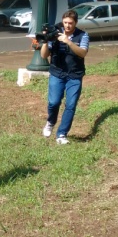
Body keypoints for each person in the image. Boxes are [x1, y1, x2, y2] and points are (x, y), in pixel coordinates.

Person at [39, 9, 90, 145]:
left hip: (75, 75)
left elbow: (83, 53)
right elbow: (44, 55)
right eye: (65, 22)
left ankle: (61, 134)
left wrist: (68, 42)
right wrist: (46, 40)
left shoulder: (83, 35)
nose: (67, 25)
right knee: (53, 102)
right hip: (57, 73)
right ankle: (51, 122)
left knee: (71, 105)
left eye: (70, 23)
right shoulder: (55, 34)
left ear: (76, 23)